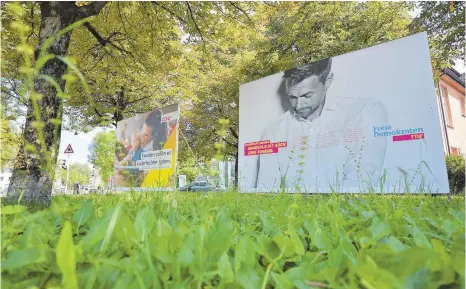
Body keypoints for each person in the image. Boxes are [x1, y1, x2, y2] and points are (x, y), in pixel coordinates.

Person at [253, 57, 388, 192]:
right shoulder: (274, 130)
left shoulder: (364, 113)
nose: (298, 106)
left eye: (307, 95)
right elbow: (266, 189)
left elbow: (361, 184)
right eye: (292, 97)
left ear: (328, 81)